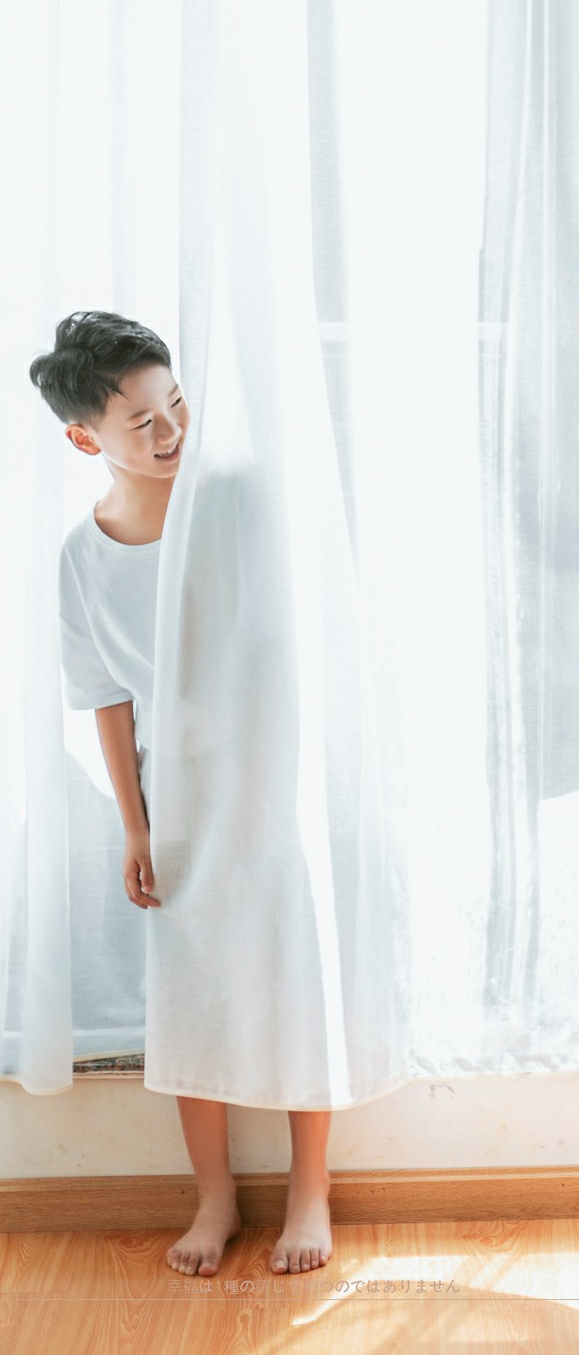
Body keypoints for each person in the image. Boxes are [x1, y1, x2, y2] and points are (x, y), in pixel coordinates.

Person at [30, 310, 333, 1280]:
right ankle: (214, 1197)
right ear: (85, 440)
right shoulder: (81, 559)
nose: (170, 432)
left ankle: (311, 1193)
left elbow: (296, 644)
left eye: (177, 406)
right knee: (190, 993)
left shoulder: (238, 499)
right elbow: (105, 699)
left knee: (293, 980)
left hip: (275, 781)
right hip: (179, 798)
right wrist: (136, 825)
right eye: (142, 422)